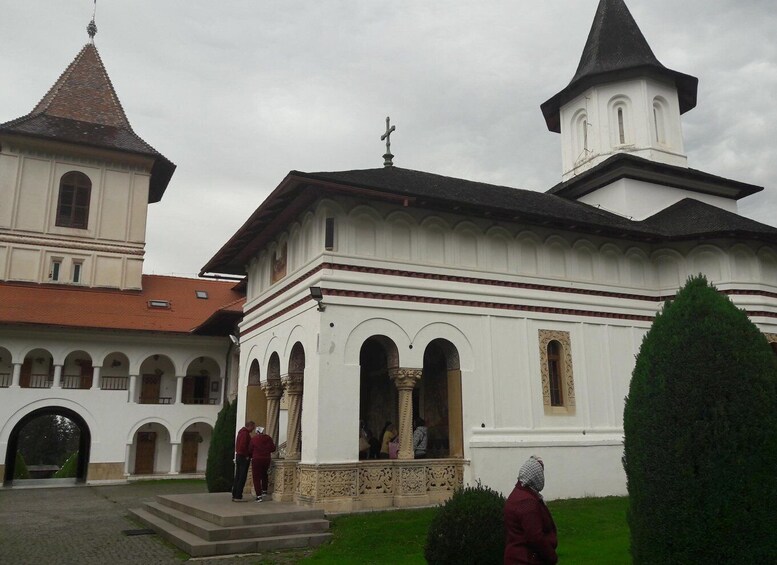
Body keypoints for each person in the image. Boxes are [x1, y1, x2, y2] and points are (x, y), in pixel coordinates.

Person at [503, 455, 558, 564]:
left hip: (515, 557)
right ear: (536, 476)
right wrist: (551, 557)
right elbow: (535, 537)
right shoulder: (527, 501)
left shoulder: (517, 493)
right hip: (526, 559)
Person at [249, 425, 276, 502]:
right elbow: (273, 448)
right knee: (264, 474)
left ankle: (259, 496)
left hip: (257, 459)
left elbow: (250, 449)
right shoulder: (268, 438)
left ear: (257, 432)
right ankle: (264, 490)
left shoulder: (254, 439)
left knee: (256, 477)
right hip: (266, 459)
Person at [231, 420, 255, 501]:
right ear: (250, 426)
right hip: (243, 457)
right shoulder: (245, 434)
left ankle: (235, 494)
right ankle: (238, 495)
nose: (253, 429)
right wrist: (247, 455)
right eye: (253, 427)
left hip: (238, 455)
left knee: (238, 475)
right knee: (242, 476)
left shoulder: (240, 432)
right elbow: (243, 445)